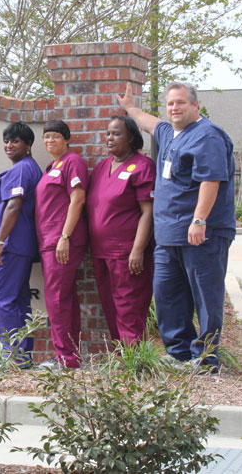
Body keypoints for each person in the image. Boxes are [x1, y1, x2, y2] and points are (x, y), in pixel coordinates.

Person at [117, 81, 235, 372]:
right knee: (167, 293)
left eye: (180, 102)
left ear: (195, 105)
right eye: (170, 104)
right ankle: (180, 353)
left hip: (201, 234)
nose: (174, 108)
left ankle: (206, 360)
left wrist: (199, 220)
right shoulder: (170, 133)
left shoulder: (207, 136)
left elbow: (211, 180)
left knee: (206, 297)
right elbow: (151, 124)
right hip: (169, 236)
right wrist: (131, 109)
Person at [86, 116, 155, 345]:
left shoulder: (142, 167)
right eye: (107, 133)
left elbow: (148, 212)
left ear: (132, 137)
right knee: (110, 307)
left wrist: (137, 250)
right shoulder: (102, 167)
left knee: (129, 307)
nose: (109, 138)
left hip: (127, 253)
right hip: (101, 252)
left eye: (116, 134)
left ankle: (133, 363)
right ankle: (122, 359)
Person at [0, 123, 43, 368]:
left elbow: (14, 206)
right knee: (18, 301)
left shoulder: (21, 170)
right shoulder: (29, 167)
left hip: (12, 245)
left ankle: (12, 356)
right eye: (6, 141)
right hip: (21, 245)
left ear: (28, 145)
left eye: (15, 141)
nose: (9, 145)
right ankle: (22, 356)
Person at [34, 119, 88, 369]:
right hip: (48, 241)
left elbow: (77, 199)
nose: (50, 141)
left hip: (61, 241)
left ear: (67, 139)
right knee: (63, 298)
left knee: (56, 299)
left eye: (55, 136)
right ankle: (70, 356)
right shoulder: (50, 166)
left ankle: (65, 358)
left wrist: (65, 237)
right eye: (46, 137)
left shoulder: (72, 162)